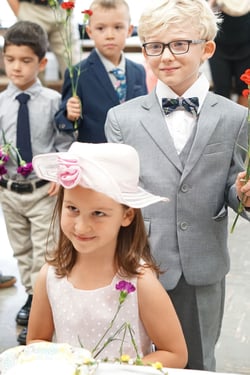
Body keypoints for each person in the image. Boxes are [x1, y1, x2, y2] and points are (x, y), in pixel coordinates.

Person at [104, 0, 250, 371]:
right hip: (141, 261)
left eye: (179, 44)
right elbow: (118, 193)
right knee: (135, 357)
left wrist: (245, 196)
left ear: (207, 48)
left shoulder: (236, 117)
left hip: (204, 263)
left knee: (199, 359)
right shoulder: (122, 119)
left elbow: (234, 191)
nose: (166, 56)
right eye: (154, 45)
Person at [27, 142, 188, 368]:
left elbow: (175, 353)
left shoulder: (141, 283)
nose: (82, 227)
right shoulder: (50, 277)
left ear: (127, 216)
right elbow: (36, 341)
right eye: (72, 209)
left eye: (98, 213)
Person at [0, 20, 74, 345]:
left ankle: (42, 304)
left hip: (43, 190)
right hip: (10, 191)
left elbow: (62, 141)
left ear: (42, 63)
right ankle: (32, 295)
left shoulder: (53, 101)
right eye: (11, 59)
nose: (17, 67)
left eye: (26, 60)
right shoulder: (1, 103)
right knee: (22, 249)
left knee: (45, 251)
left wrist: (59, 171)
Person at [55, 0, 148, 143]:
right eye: (101, 28)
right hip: (96, 153)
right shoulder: (77, 73)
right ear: (89, 31)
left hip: (133, 151)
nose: (110, 35)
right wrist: (69, 114)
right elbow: (63, 121)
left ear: (129, 30)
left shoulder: (138, 71)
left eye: (118, 27)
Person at [6, 0, 80, 80]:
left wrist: (70, 5)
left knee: (74, 66)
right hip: (31, 9)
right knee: (31, 69)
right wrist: (19, 11)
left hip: (61, 8)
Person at [208, 0, 250, 107]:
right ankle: (225, 123)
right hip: (218, 47)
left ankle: (243, 123)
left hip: (246, 46)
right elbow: (204, 13)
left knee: (245, 89)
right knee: (221, 90)